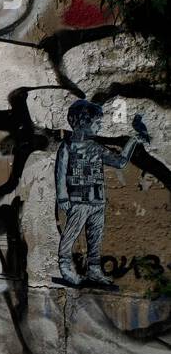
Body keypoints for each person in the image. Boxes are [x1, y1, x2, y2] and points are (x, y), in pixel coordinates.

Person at [55, 99, 147, 287]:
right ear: (83, 123)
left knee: (95, 236)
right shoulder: (67, 146)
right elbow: (60, 172)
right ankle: (65, 267)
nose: (100, 126)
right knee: (71, 234)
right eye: (97, 122)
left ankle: (94, 269)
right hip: (78, 200)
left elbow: (120, 162)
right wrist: (62, 195)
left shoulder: (96, 148)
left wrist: (133, 141)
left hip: (97, 200)